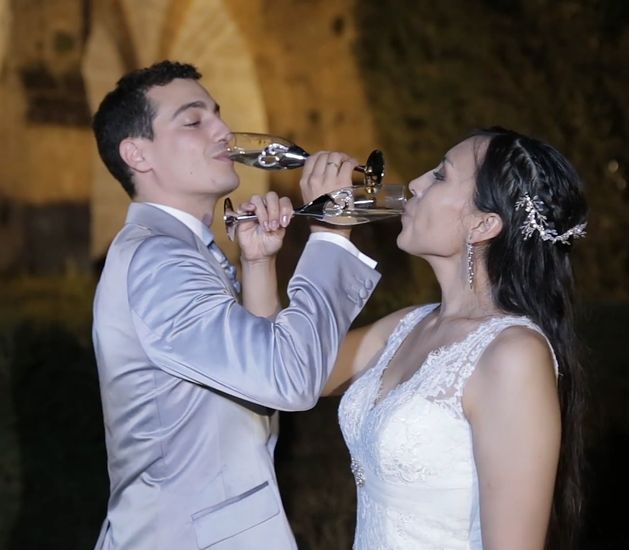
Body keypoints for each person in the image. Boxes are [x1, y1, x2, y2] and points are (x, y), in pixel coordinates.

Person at [89, 60, 380, 550]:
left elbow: (259, 387)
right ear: (137, 154)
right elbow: (289, 378)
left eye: (217, 114)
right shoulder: (159, 259)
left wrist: (257, 265)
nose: (223, 129)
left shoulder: (177, 249)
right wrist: (332, 231)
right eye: (193, 120)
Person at [327, 127, 587, 549]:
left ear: (482, 224)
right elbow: (286, 376)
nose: (415, 183)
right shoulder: (407, 325)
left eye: (441, 176)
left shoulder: (512, 354)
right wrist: (263, 258)